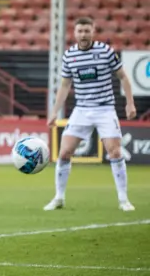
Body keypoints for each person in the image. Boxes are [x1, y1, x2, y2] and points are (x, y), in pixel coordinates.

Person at [45, 17, 136, 212]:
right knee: (64, 152)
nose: (83, 35)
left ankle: (123, 199)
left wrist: (130, 103)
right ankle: (59, 197)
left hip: (105, 108)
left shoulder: (105, 52)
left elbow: (123, 77)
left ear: (93, 31)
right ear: (74, 33)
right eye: (80, 31)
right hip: (82, 109)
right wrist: (54, 112)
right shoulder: (69, 55)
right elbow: (65, 85)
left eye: (87, 31)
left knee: (115, 151)